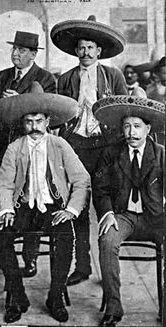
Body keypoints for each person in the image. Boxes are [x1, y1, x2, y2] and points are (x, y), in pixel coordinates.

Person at [0, 82, 91, 323]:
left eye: (38, 121)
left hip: (53, 207)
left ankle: (55, 297)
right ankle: (17, 295)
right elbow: (3, 184)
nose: (34, 127)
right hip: (23, 207)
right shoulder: (14, 148)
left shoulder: (60, 145)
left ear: (47, 121)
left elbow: (82, 178)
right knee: (0, 236)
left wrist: (71, 209)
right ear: (23, 123)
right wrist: (5, 210)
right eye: (29, 122)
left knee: (66, 236)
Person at [50, 15, 128, 286]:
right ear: (76, 50)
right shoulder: (67, 78)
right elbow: (60, 114)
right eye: (81, 47)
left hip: (105, 146)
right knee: (78, 206)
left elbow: (122, 112)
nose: (85, 52)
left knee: (107, 206)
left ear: (99, 51)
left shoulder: (112, 75)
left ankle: (109, 269)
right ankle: (82, 266)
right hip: (77, 146)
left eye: (90, 47)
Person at [92, 95, 165, 327]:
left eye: (136, 127)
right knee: (107, 240)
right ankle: (113, 307)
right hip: (123, 215)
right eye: (126, 126)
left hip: (156, 218)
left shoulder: (162, 153)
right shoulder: (111, 153)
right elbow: (100, 189)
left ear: (148, 128)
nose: (131, 133)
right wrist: (108, 213)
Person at [0, 31, 56, 275]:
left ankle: (30, 257)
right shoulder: (2, 76)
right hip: (3, 150)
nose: (15, 53)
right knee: (1, 199)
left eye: (22, 50)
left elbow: (45, 114)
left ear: (33, 54)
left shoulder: (46, 79)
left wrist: (19, 104)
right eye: (14, 48)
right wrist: (1, 112)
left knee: (30, 199)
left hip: (32, 150)